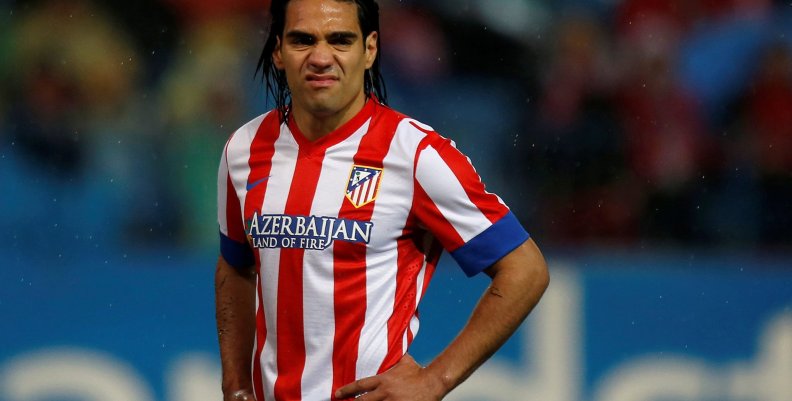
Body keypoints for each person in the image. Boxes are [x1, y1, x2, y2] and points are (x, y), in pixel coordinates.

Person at [214, 0, 549, 400]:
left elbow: (525, 269)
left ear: (369, 49)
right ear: (278, 52)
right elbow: (235, 267)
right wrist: (235, 384)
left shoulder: (415, 155)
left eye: (340, 40)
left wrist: (434, 380)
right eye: (303, 40)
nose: (321, 57)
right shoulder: (244, 150)